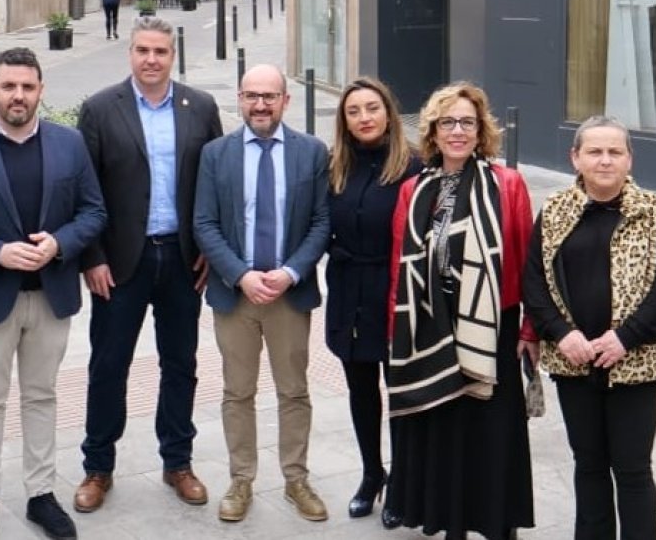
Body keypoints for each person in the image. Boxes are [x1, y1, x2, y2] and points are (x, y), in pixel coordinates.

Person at [0, 48, 107, 540]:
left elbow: (94, 212)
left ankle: (41, 494)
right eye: (8, 86)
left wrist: (60, 244)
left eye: (27, 87)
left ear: (41, 91)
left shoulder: (69, 145)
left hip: (50, 298)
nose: (18, 96)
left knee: (42, 396)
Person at [74, 16, 223, 512]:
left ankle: (177, 462)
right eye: (142, 50)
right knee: (107, 366)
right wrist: (91, 257)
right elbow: (84, 190)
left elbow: (215, 183)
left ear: (172, 56)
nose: (151, 60)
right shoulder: (99, 109)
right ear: (130, 53)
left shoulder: (200, 107)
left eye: (160, 51)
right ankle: (98, 468)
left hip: (182, 260)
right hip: (119, 264)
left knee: (180, 364)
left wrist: (210, 247)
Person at [385, 82, 538, 540]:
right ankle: (450, 520)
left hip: (494, 325)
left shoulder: (507, 184)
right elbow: (399, 265)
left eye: (467, 122)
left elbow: (530, 262)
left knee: (492, 429)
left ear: (480, 130)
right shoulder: (415, 189)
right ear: (432, 130)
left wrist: (530, 329)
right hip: (431, 324)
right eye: (447, 122)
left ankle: (496, 522)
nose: (457, 131)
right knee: (445, 426)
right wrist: (398, 331)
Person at [523, 116, 656, 540]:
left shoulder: (655, 212)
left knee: (632, 470)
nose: (605, 160)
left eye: (615, 151)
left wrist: (624, 338)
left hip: (637, 364)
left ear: (630, 159)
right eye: (594, 151)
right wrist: (561, 333)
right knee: (588, 466)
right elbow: (534, 281)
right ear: (575, 158)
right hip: (574, 361)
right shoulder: (555, 211)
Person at [192, 65, 331, 523]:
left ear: (286, 101)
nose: (261, 105)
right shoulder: (216, 154)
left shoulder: (311, 153)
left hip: (289, 294)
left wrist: (291, 272)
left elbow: (320, 223)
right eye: (252, 96)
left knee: (294, 391)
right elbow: (205, 224)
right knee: (237, 391)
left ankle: (296, 479)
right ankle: (241, 479)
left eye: (270, 96)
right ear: (239, 98)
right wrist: (240, 274)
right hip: (237, 294)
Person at [324, 77, 422, 527]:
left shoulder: (414, 167)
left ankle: (403, 481)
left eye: (372, 108)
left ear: (389, 112)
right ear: (344, 121)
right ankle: (371, 474)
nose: (364, 118)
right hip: (349, 291)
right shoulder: (335, 167)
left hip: (397, 293)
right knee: (361, 389)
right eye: (353, 111)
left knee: (400, 392)